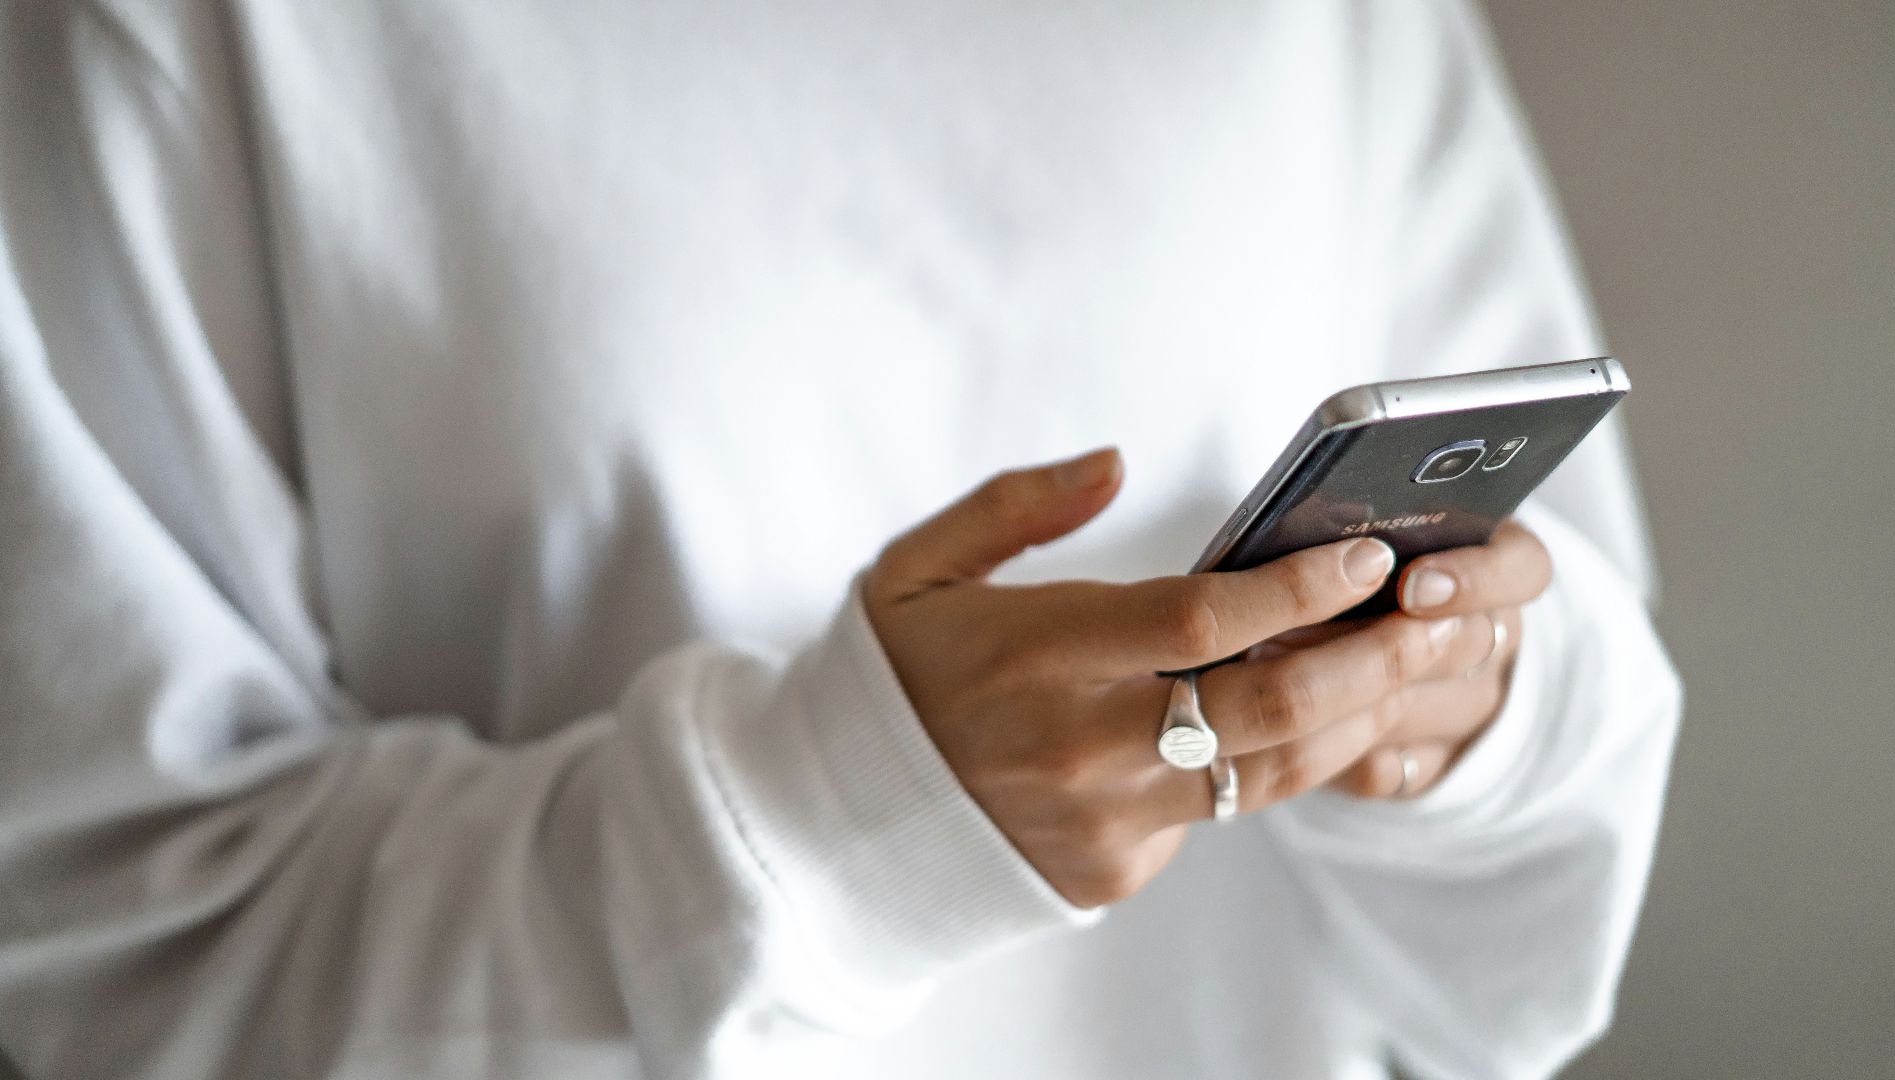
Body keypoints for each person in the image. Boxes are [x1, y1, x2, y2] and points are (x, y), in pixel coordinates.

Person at [0, 0, 1680, 1077]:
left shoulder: (1338, 28)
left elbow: (1537, 935)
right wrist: (834, 824)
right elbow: (99, 969)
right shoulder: (172, 37)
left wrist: (1469, 715)